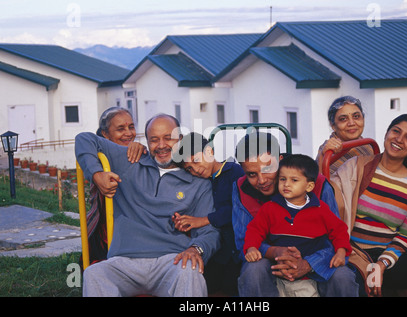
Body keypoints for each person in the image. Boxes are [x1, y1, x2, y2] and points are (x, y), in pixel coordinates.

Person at [75, 113, 220, 297]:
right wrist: (96, 175)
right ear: (146, 141)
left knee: (190, 272)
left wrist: (196, 249)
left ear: (180, 139)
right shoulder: (130, 160)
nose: (161, 146)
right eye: (154, 140)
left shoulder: (197, 181)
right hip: (125, 260)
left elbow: (210, 231)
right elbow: (84, 139)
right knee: (94, 274)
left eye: (168, 138)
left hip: (172, 260)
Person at [331, 113, 407, 297]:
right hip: (353, 253)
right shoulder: (358, 166)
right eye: (396, 131)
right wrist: (324, 152)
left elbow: (406, 236)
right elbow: (329, 195)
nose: (399, 140)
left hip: (388, 260)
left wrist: (381, 264)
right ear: (387, 133)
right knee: (354, 284)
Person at [232, 131, 358, 297]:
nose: (262, 181)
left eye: (268, 168)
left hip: (317, 260)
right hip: (271, 264)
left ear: (280, 160)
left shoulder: (316, 184)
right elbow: (244, 241)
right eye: (252, 174)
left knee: (343, 276)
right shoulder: (242, 189)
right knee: (253, 270)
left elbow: (334, 237)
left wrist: (308, 263)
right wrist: (275, 252)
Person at [172, 132, 244, 296]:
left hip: (238, 247)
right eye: (189, 168)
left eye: (196, 160)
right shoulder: (202, 182)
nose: (195, 169)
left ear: (210, 151)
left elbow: (237, 209)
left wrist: (203, 220)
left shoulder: (235, 172)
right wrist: (183, 220)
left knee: (232, 287)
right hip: (217, 251)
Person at [81, 107, 146, 266]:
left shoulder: (135, 152)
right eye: (120, 129)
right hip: (108, 232)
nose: (129, 133)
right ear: (105, 134)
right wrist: (97, 175)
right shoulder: (101, 157)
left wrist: (143, 150)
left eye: (131, 127)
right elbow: (83, 139)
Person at [316, 96, 374, 175]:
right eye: (343, 119)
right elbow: (319, 182)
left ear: (363, 119)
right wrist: (323, 155)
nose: (351, 123)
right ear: (333, 125)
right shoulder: (327, 151)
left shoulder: (368, 146)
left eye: (356, 116)